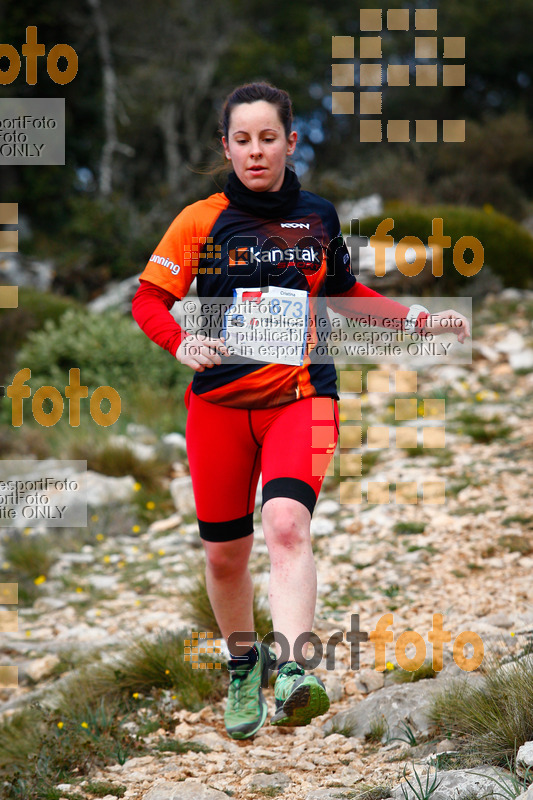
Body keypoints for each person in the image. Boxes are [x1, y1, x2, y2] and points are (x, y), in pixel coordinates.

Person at [132, 81, 470, 740]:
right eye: (242, 139)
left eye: (268, 138)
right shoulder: (198, 220)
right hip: (219, 407)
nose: (255, 151)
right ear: (224, 147)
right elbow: (148, 299)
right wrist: (182, 341)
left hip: (301, 398)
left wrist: (418, 321)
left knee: (286, 524)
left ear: (290, 141)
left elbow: (342, 291)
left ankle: (291, 670)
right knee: (225, 557)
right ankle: (241, 664)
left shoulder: (317, 215)